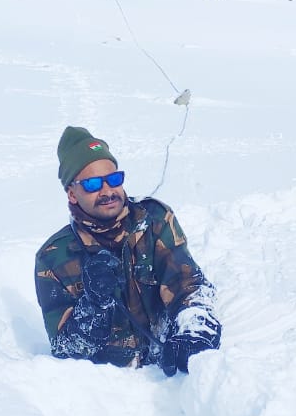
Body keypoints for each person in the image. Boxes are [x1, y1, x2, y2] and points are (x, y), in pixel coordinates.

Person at [34, 126, 221, 374]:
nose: (107, 191)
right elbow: (64, 349)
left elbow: (188, 285)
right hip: (111, 394)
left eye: (113, 179)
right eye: (92, 184)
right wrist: (94, 305)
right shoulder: (53, 257)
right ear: (72, 194)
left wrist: (195, 332)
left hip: (168, 378)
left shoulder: (154, 221)